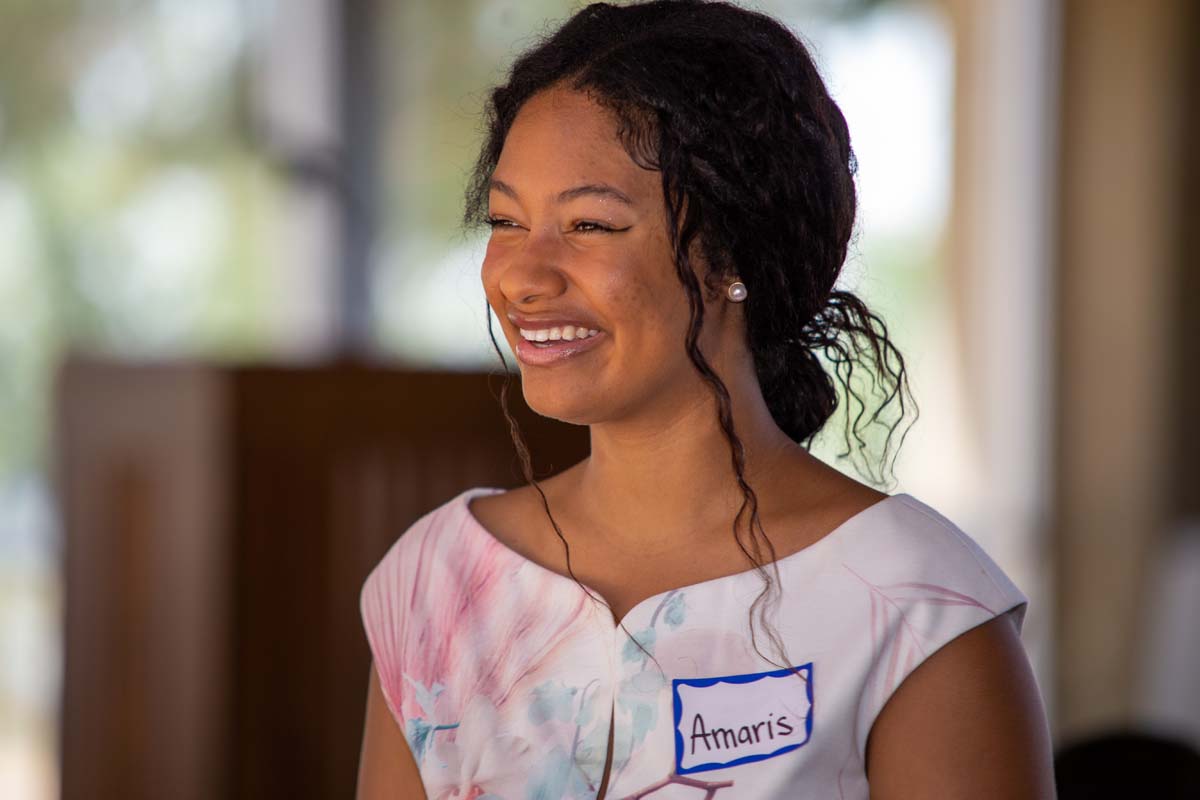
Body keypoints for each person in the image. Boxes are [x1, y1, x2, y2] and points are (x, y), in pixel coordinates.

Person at [356, 2, 1054, 798]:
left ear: (734, 252)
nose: (522, 275)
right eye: (506, 219)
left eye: (589, 224)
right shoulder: (436, 584)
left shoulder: (917, 606)